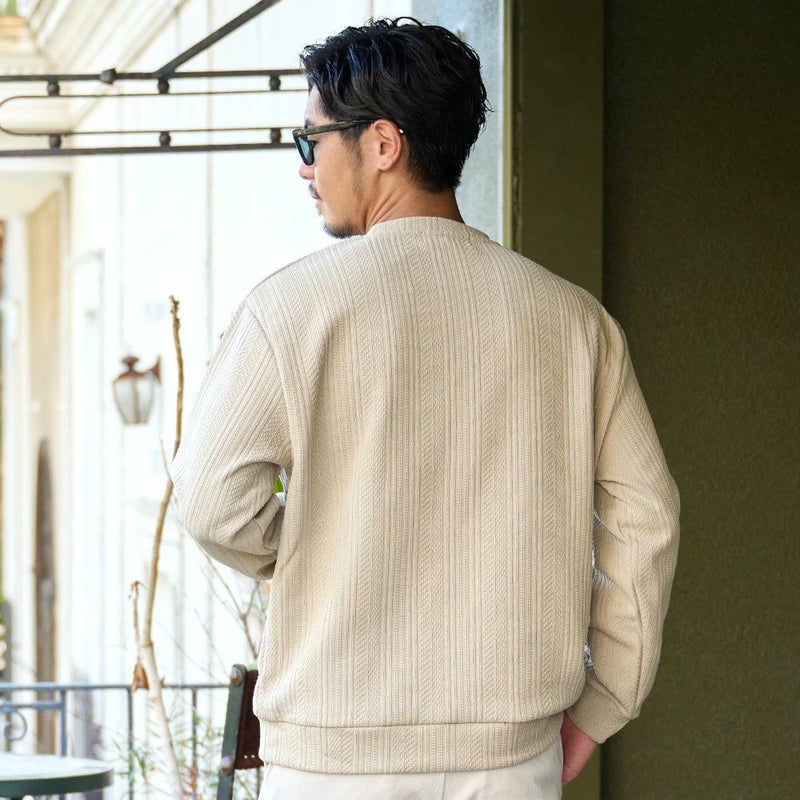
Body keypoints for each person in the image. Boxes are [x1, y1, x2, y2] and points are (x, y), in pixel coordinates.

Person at [171, 17, 679, 800]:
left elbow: (211, 500)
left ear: (382, 143)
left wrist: (324, 550)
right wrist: (604, 700)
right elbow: (646, 520)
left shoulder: (290, 310)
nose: (304, 166)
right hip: (510, 757)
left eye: (311, 141)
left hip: (331, 761)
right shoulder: (574, 321)